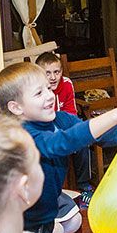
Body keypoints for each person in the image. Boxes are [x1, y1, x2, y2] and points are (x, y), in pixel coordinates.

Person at [0, 62, 117, 233]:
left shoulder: (59, 119)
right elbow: (61, 143)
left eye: (48, 88)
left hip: (45, 213)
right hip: (19, 225)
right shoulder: (19, 136)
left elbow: (100, 134)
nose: (49, 96)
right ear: (16, 107)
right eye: (39, 93)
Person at [35, 52, 97, 207]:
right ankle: (55, 192)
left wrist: (72, 134)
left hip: (63, 125)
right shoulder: (34, 88)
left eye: (57, 72)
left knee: (82, 141)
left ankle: (84, 187)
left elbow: (71, 114)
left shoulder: (67, 84)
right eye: (47, 73)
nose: (53, 77)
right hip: (43, 129)